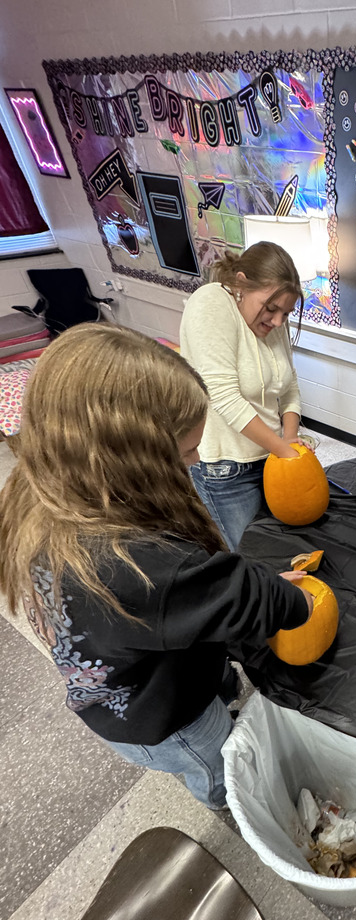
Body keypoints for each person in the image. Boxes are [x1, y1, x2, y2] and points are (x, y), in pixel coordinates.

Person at [0, 324, 313, 810]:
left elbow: (184, 601)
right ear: (131, 460)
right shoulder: (132, 564)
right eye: (187, 452)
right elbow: (246, 596)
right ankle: (226, 801)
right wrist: (291, 600)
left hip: (128, 686)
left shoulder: (50, 492)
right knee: (219, 763)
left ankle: (222, 703)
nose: (195, 462)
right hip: (169, 719)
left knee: (218, 698)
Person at [180, 241, 308, 551]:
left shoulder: (273, 319)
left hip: (270, 458)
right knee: (248, 556)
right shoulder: (210, 304)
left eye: (286, 313)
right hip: (226, 468)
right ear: (240, 283)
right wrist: (283, 449)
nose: (278, 321)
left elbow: (289, 386)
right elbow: (223, 396)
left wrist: (288, 440)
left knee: (280, 547)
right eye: (271, 309)